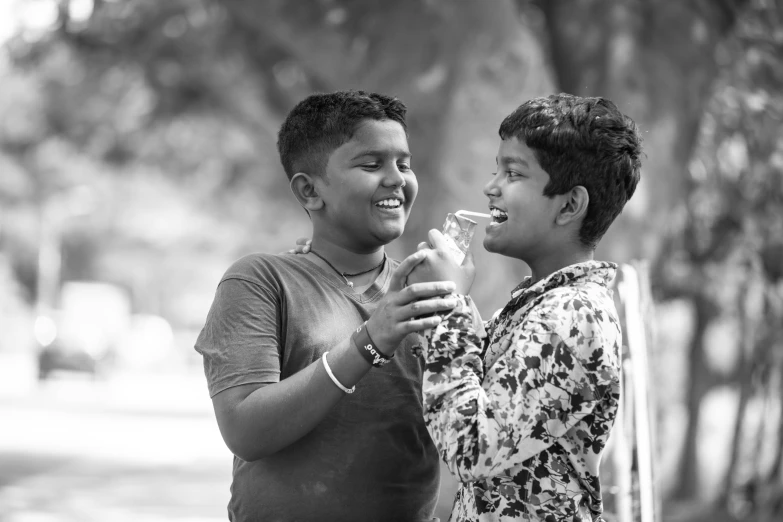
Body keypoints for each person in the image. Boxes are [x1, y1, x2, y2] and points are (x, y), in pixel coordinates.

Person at [194, 90, 459, 522]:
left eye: (404, 164)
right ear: (310, 191)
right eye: (372, 165)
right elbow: (245, 429)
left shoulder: (430, 293)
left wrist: (458, 311)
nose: (396, 179)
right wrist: (369, 341)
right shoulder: (261, 281)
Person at [408, 93, 643, 521]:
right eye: (496, 168)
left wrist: (453, 303)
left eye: (513, 173)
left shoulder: (573, 314)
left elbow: (472, 447)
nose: (490, 187)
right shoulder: (540, 303)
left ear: (570, 205)